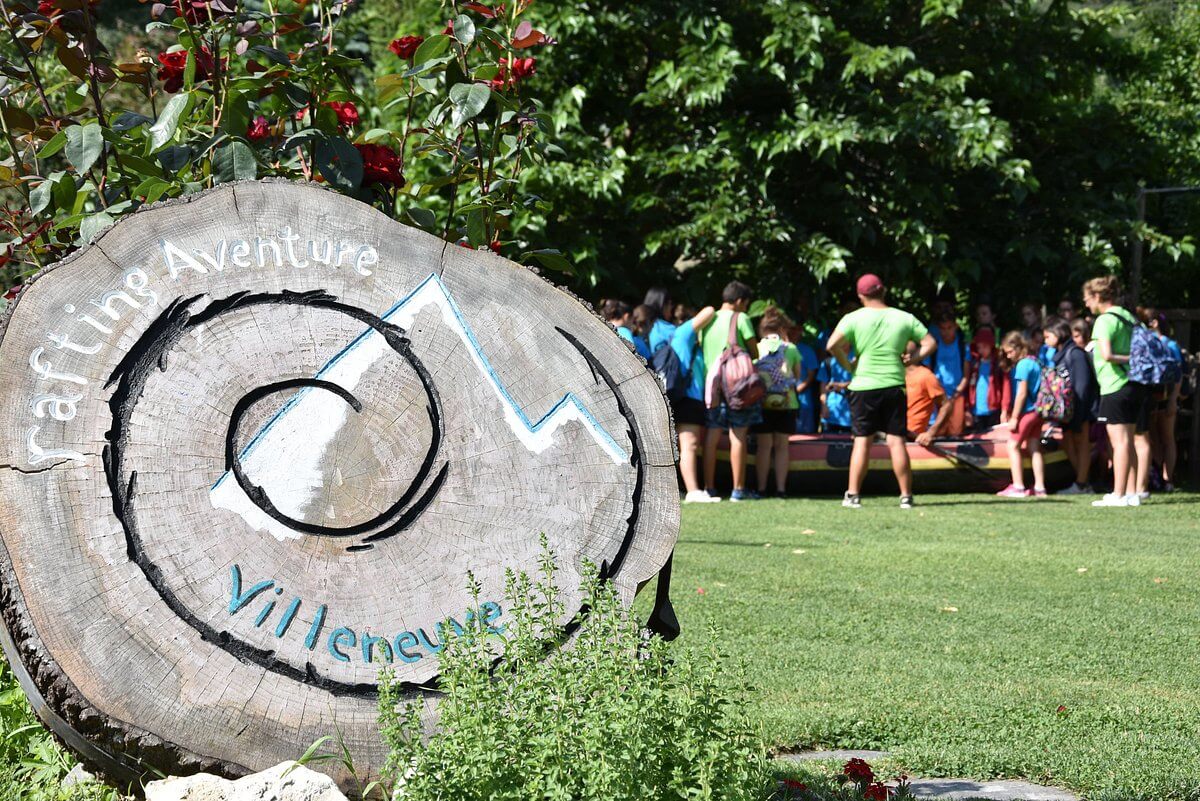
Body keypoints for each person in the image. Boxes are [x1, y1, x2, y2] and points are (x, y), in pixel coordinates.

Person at [826, 273, 935, 510]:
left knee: (862, 442)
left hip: (863, 386)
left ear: (860, 295)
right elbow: (930, 343)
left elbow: (831, 345)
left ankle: (853, 495)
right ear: (883, 291)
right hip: (894, 384)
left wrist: (848, 366)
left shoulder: (853, 318)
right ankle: (906, 496)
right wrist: (912, 359)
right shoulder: (904, 317)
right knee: (896, 442)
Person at [1084, 275, 1145, 507]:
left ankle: (1118, 494)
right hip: (1135, 385)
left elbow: (1107, 355)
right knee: (1128, 440)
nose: (1086, 303)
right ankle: (1132, 493)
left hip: (1115, 384)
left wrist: (1130, 360)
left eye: (1088, 298)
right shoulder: (1129, 317)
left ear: (1098, 296)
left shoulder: (1104, 320)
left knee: (1118, 442)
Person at [700, 281, 761, 501]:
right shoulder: (740, 318)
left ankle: (709, 487)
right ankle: (738, 489)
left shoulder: (708, 320)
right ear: (740, 301)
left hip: (712, 386)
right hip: (736, 388)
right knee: (738, 436)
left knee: (712, 436)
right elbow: (754, 352)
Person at [669, 305, 720, 503]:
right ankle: (693, 491)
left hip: (693, 399)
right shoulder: (683, 334)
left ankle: (692, 489)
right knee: (689, 444)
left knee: (689, 444)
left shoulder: (690, 343)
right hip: (686, 398)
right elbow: (710, 310)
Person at [753, 307, 804, 496]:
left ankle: (761, 488)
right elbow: (797, 376)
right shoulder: (791, 349)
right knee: (782, 447)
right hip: (787, 403)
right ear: (782, 328)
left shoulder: (757, 348)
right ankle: (781, 489)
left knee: (764, 447)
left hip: (762, 403)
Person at [1044, 316, 1096, 495]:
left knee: (1082, 443)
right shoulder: (1061, 355)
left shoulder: (1075, 353)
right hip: (1068, 409)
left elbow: (1082, 385)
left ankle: (1082, 483)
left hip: (1080, 408)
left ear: (1058, 333)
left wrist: (1079, 414)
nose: (1046, 340)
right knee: (1068, 442)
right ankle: (1082, 480)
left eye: (1048, 336)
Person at [995, 331, 1046, 498]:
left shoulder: (1023, 365)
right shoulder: (1036, 361)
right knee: (1034, 447)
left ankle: (1018, 486)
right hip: (1039, 411)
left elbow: (1022, 393)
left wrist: (1014, 417)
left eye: (1010, 352)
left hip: (1028, 411)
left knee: (1012, 445)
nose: (1008, 356)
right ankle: (1040, 488)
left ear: (1019, 348)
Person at [1145, 310, 1183, 491]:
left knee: (1167, 437)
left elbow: (1178, 375)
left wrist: (1173, 399)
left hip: (1167, 396)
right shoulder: (1146, 343)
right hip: (1151, 397)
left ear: (1154, 323)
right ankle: (1157, 476)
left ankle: (1168, 479)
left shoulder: (1170, 345)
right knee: (1152, 437)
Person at [927, 310, 970, 436]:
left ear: (955, 326)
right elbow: (927, 373)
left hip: (956, 394)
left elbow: (966, 376)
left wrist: (955, 394)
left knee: (955, 431)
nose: (946, 332)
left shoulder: (962, 346)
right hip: (937, 395)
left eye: (949, 328)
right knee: (937, 430)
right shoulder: (933, 346)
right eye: (942, 328)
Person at [905, 341, 949, 446]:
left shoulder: (926, 376)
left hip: (912, 440)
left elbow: (946, 405)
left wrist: (931, 433)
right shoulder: (893, 376)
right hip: (890, 435)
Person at [965, 328, 1006, 432]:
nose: (981, 350)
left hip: (993, 409)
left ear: (991, 346)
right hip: (976, 409)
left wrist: (1004, 409)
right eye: (979, 347)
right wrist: (967, 408)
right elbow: (968, 386)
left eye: (984, 347)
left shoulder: (997, 364)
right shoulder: (974, 364)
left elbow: (1005, 387)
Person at [818, 352, 854, 433]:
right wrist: (824, 407)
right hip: (830, 413)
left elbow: (862, 381)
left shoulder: (855, 360)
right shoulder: (828, 362)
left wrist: (841, 385)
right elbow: (823, 387)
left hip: (851, 414)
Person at [643, 287, 678, 354]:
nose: (672, 307)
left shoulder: (642, 326)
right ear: (662, 304)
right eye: (670, 303)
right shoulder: (665, 328)